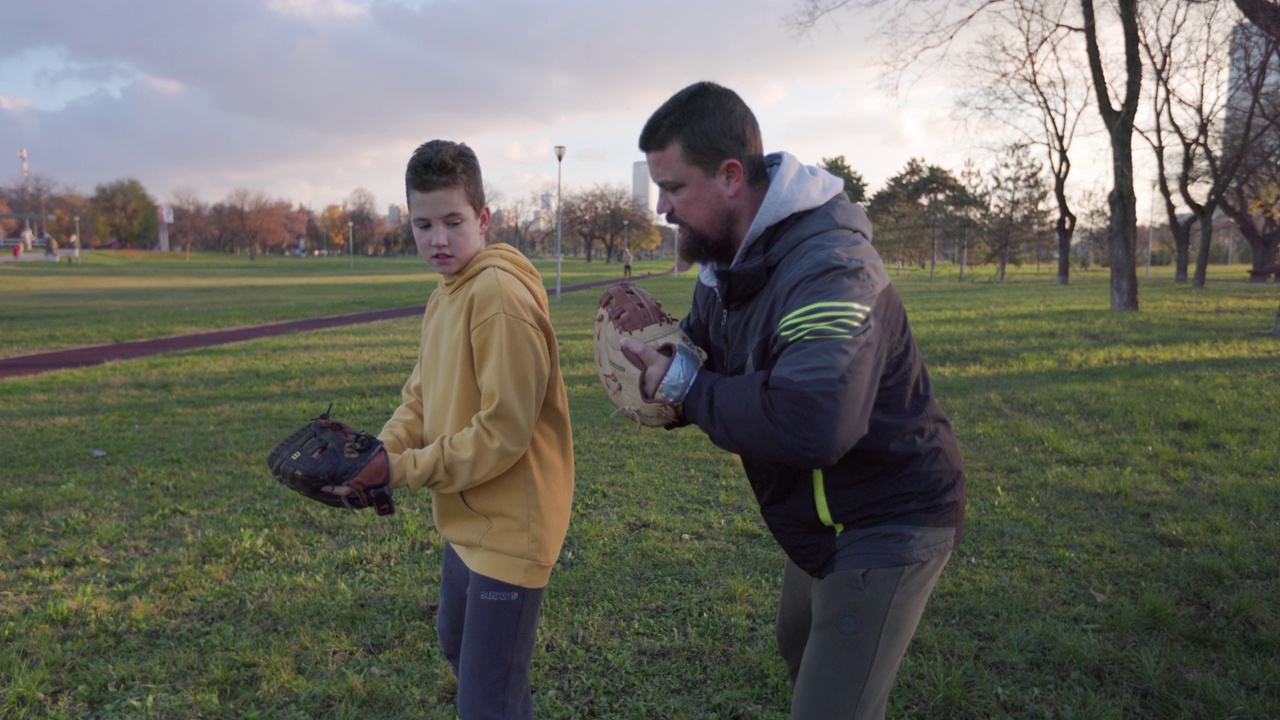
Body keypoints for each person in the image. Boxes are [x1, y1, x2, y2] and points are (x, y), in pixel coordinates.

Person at [621, 82, 965, 719]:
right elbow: (702, 363)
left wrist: (687, 387)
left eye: (672, 188)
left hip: (888, 513)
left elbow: (815, 419)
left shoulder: (830, 265)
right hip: (820, 518)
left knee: (829, 705)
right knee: (799, 645)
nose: (663, 208)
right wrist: (660, 370)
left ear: (729, 176)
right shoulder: (726, 265)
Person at [328, 140, 574, 719]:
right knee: (457, 644)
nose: (438, 239)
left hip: (512, 529)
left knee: (485, 701)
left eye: (453, 221)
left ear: (483, 218)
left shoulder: (496, 296)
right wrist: (376, 451)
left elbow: (503, 432)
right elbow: (419, 396)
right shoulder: (446, 294)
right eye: (423, 224)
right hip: (468, 521)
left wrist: (400, 470)